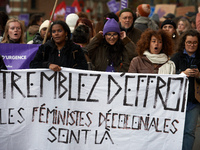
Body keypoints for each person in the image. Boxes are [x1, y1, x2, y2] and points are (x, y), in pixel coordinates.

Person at [171, 29, 200, 150]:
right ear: (184, 43)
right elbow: (169, 76)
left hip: (194, 101)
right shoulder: (176, 57)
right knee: (176, 131)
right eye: (189, 42)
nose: (191, 45)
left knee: (189, 131)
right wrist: (182, 73)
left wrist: (199, 75)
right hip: (177, 101)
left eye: (194, 43)